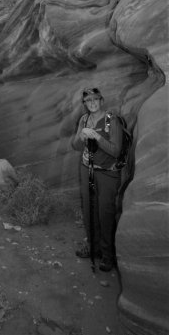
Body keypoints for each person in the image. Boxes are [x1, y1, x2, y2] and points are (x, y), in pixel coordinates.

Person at [71, 87, 122, 272]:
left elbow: (115, 151)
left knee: (105, 213)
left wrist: (97, 137)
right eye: (88, 101)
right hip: (87, 170)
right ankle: (94, 248)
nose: (92, 103)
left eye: (95, 99)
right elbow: (75, 145)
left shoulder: (111, 120)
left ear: (101, 101)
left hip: (107, 173)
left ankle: (108, 256)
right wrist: (82, 137)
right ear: (84, 103)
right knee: (89, 211)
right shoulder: (84, 120)